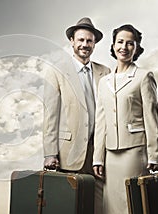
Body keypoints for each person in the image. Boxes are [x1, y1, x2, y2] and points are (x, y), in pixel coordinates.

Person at [93, 24, 158, 214]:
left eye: (130, 43)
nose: (124, 47)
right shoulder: (104, 81)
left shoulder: (143, 76)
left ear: (137, 48)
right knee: (111, 205)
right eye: (120, 42)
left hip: (134, 151)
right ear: (113, 46)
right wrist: (97, 158)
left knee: (133, 203)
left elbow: (152, 116)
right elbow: (101, 122)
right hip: (110, 154)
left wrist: (155, 153)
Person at [43, 17, 110, 214]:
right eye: (80, 40)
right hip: (68, 153)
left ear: (94, 44)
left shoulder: (105, 72)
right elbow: (50, 114)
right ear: (72, 41)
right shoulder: (56, 71)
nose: (85, 45)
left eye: (89, 41)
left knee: (98, 207)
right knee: (69, 206)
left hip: (99, 153)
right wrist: (49, 153)